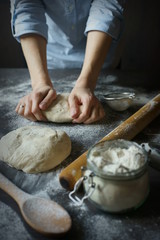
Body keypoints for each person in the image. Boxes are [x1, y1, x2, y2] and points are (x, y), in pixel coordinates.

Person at [10, 0, 125, 124]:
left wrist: (87, 83)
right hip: (47, 57)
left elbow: (106, 9)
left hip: (100, 61)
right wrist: (39, 84)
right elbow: (27, 11)